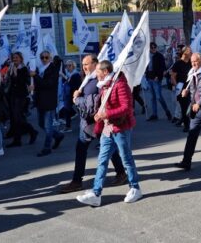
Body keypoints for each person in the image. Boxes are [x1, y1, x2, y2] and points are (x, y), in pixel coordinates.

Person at [76, 60, 142, 207]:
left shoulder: (119, 84)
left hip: (120, 128)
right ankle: (96, 193)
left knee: (126, 158)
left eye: (97, 72)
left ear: (105, 72)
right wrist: (99, 114)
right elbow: (103, 105)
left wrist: (106, 114)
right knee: (102, 160)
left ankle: (135, 187)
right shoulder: (104, 85)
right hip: (107, 128)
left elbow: (126, 108)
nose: (95, 75)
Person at [60, 54, 126, 194]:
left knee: (106, 148)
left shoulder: (98, 80)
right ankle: (120, 173)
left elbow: (93, 104)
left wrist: (77, 99)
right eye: (82, 64)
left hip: (95, 122)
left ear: (96, 64)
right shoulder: (88, 78)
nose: (84, 67)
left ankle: (79, 182)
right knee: (93, 149)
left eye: (86, 64)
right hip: (87, 123)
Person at [31, 51, 65, 157]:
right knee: (41, 124)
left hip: (49, 101)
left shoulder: (53, 69)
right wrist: (33, 87)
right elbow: (39, 84)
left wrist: (36, 76)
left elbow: (48, 84)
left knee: (47, 125)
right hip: (40, 101)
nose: (44, 59)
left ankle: (47, 147)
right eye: (42, 57)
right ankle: (58, 135)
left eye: (46, 57)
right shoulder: (40, 68)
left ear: (50, 58)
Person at [5, 52, 38, 147]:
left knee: (18, 118)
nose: (14, 59)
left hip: (21, 96)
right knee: (14, 119)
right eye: (13, 58)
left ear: (20, 59)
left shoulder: (23, 69)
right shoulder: (10, 69)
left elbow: (22, 81)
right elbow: (8, 81)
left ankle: (32, 131)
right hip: (12, 95)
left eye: (16, 57)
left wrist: (16, 74)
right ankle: (17, 140)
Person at [146, 42, 173, 121]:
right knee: (152, 97)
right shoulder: (147, 56)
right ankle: (154, 114)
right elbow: (145, 66)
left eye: (155, 47)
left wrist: (158, 76)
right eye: (152, 47)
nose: (153, 49)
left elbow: (162, 67)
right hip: (149, 77)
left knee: (159, 96)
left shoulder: (159, 56)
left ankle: (167, 111)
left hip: (156, 78)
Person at [169, 47, 192, 131]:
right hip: (182, 88)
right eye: (189, 51)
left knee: (191, 105)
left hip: (191, 87)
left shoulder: (191, 62)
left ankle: (186, 120)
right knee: (184, 107)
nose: (191, 53)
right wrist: (177, 86)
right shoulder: (178, 63)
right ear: (184, 53)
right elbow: (173, 76)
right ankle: (186, 125)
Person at [61, 60, 82, 131]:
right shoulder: (67, 74)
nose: (68, 67)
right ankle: (68, 126)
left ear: (73, 66)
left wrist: (65, 79)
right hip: (67, 95)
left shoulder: (76, 74)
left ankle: (84, 124)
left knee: (80, 110)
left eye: (69, 65)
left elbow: (75, 85)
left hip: (75, 95)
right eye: (66, 66)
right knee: (67, 110)